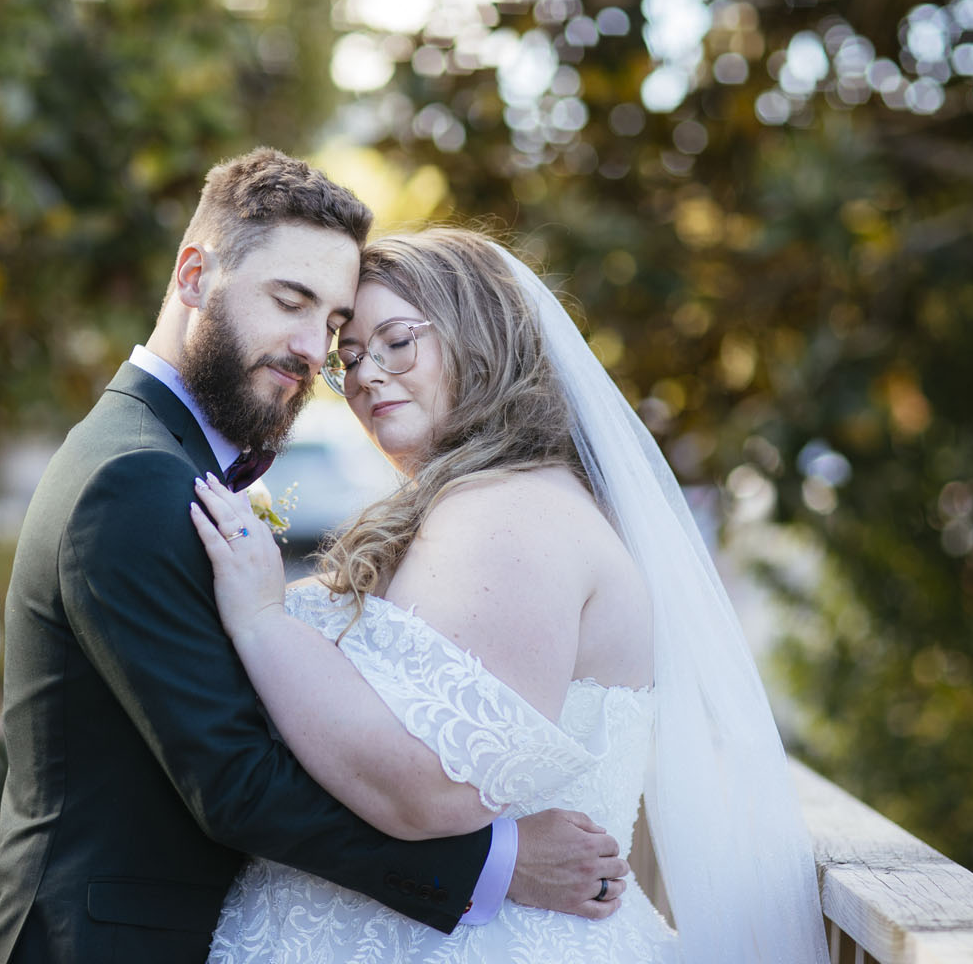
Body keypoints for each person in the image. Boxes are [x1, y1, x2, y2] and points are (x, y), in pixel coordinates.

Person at [0, 153, 629, 964]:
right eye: (290, 301)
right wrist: (500, 864)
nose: (315, 350)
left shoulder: (163, 458)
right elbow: (238, 780)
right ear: (193, 276)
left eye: (331, 323)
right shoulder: (133, 477)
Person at [190, 227, 831, 962]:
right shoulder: (481, 502)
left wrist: (263, 619)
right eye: (352, 358)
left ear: (481, 339)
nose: (366, 374)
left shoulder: (509, 515)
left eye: (397, 342)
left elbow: (431, 787)